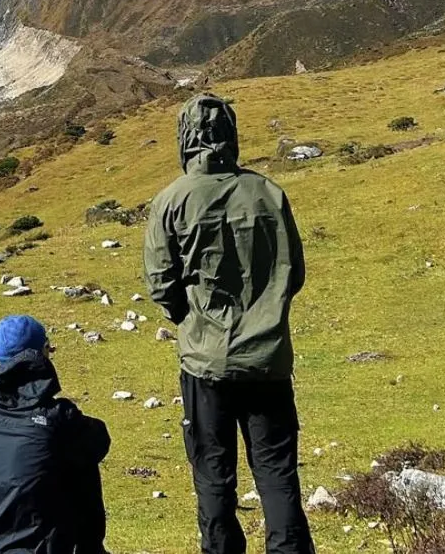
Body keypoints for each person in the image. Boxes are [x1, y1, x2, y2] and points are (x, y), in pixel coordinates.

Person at [143, 93, 315, 554]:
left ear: (184, 138)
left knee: (213, 475)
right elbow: (293, 273)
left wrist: (192, 319)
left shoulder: (170, 201)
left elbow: (162, 285)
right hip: (268, 360)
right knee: (277, 474)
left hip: (205, 363)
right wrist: (265, 312)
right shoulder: (269, 193)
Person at [0, 315, 111, 554]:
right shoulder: (58, 416)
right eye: (47, 346)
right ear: (39, 354)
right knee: (80, 464)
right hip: (41, 544)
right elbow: (99, 441)